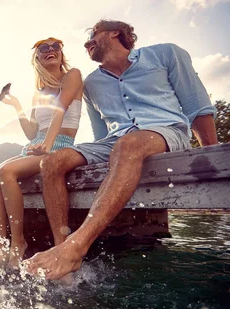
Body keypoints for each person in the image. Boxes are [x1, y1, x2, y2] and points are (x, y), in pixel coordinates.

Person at [24, 20, 218, 280]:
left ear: (116, 33)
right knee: (52, 162)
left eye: (93, 35)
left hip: (165, 131)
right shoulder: (91, 83)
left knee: (128, 144)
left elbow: (197, 106)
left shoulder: (166, 53)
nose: (86, 43)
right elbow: (100, 134)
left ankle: (76, 247)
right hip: (114, 143)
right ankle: (63, 253)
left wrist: (212, 156)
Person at [0, 37, 83, 267]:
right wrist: (17, 105)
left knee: (7, 171)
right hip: (37, 146)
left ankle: (18, 242)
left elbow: (60, 109)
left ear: (61, 53)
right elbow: (31, 133)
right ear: (37, 58)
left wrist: (47, 144)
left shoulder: (73, 76)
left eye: (56, 47)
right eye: (44, 48)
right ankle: (1, 247)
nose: (51, 50)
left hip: (59, 144)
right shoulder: (38, 94)